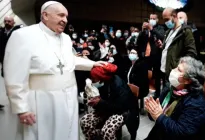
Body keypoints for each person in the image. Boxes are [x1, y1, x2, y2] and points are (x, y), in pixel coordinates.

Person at [2, 1, 106, 140]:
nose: (65, 20)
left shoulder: (66, 38)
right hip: (42, 100)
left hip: (69, 96)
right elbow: (14, 76)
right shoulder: (23, 36)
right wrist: (21, 108)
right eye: (61, 15)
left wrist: (93, 64)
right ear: (45, 15)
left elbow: (69, 60)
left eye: (66, 17)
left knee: (67, 133)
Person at [145, 56, 205, 140]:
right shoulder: (170, 88)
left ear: (188, 80)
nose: (173, 70)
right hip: (161, 133)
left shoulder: (196, 103)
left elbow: (181, 132)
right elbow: (155, 116)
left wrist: (159, 116)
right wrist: (152, 111)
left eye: (179, 70)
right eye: (176, 67)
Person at [80, 63, 139, 140]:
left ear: (100, 79)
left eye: (94, 79)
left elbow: (119, 107)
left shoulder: (119, 86)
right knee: (85, 121)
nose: (92, 81)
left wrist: (100, 102)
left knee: (107, 131)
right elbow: (103, 99)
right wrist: (94, 101)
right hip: (107, 108)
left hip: (123, 112)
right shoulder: (105, 82)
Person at [158, 7, 197, 89]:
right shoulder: (168, 31)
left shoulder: (186, 31)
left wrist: (179, 68)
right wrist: (163, 46)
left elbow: (191, 53)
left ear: (174, 16)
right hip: (164, 71)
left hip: (174, 74)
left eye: (167, 19)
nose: (165, 22)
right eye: (164, 20)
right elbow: (172, 48)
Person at [127, 48, 149, 114]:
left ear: (137, 55)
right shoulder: (130, 63)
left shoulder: (140, 64)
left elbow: (140, 80)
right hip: (131, 84)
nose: (131, 54)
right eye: (131, 52)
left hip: (139, 87)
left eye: (134, 53)